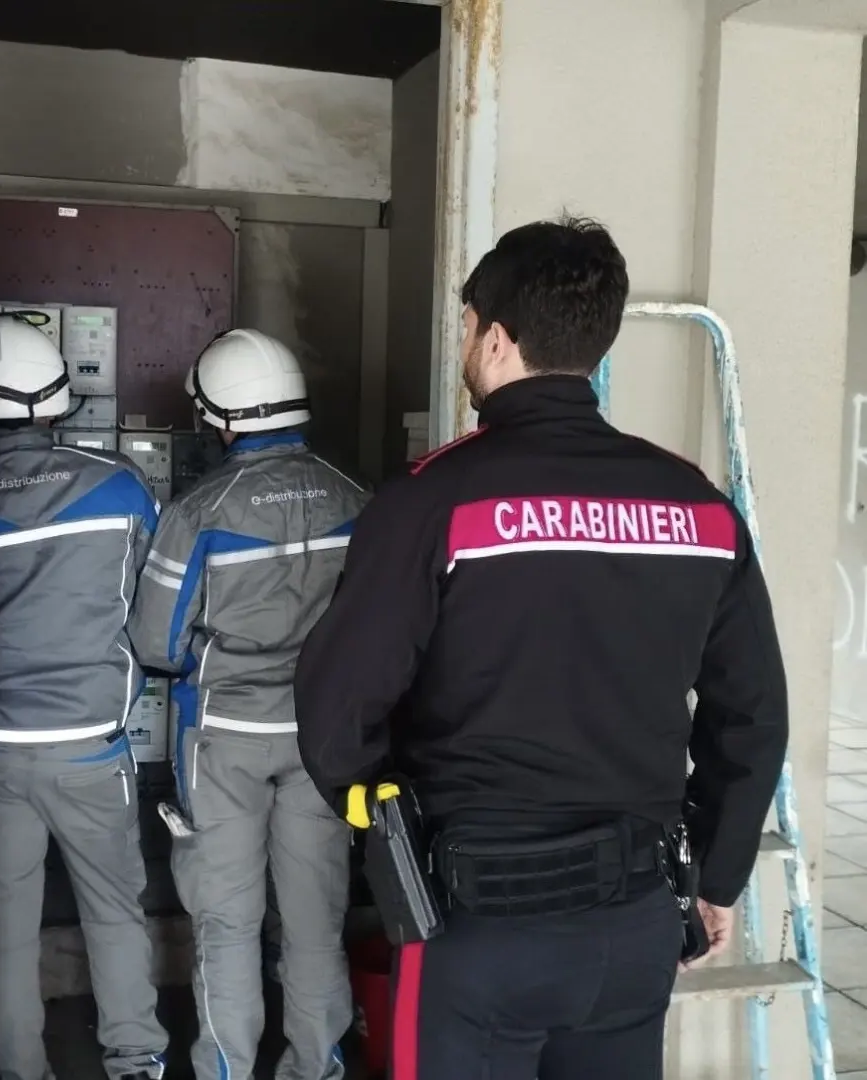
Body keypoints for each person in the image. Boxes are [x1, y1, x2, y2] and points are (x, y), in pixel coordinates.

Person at [294, 217, 789, 1080]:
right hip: (635, 917)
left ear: (494, 338)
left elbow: (337, 707)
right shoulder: (696, 506)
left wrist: (379, 818)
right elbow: (751, 713)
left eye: (464, 325)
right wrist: (718, 874)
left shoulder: (430, 501)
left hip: (473, 922)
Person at [128, 328, 370, 1080]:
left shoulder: (198, 512)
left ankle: (228, 1071)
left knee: (227, 922)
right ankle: (316, 1067)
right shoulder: (355, 497)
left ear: (220, 417)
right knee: (315, 922)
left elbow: (156, 643)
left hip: (224, 741)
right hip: (323, 739)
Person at [0, 313, 168, 1080]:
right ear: (58, 400)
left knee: (7, 925)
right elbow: (153, 604)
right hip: (91, 745)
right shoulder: (118, 485)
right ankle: (135, 1060)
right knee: (114, 910)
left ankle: (14, 1066)